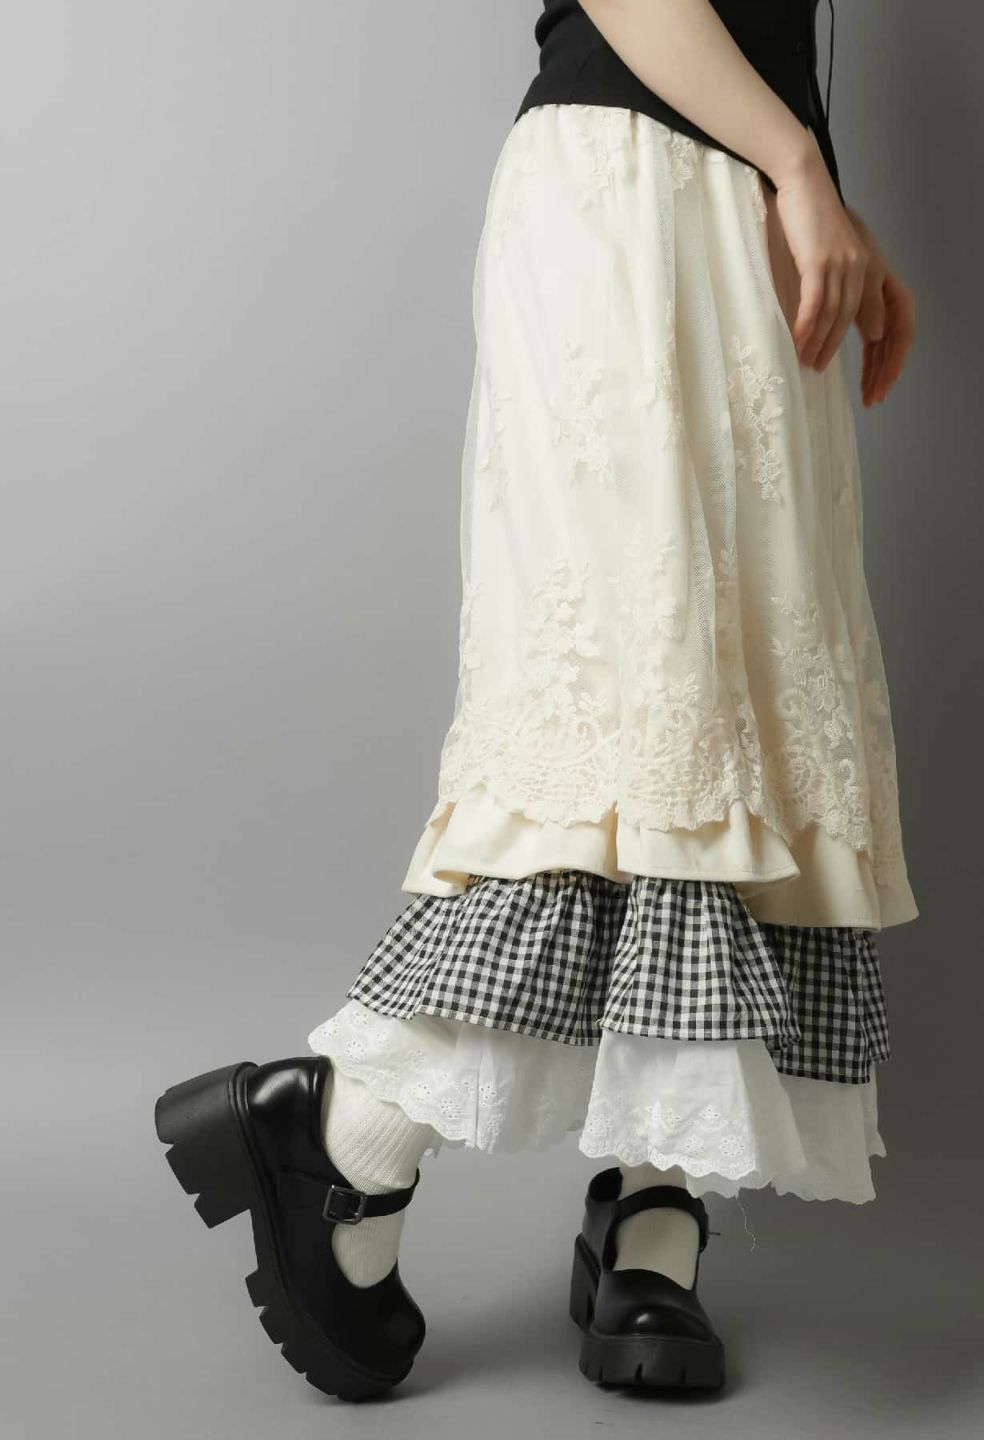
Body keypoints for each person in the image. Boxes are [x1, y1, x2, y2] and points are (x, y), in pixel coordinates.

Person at [154, 0, 919, 1401]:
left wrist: (813, 193)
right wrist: (802, 168)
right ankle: (349, 1128)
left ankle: (655, 1204)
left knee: (744, 717)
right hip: (630, 192)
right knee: (636, 723)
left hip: (738, 191)